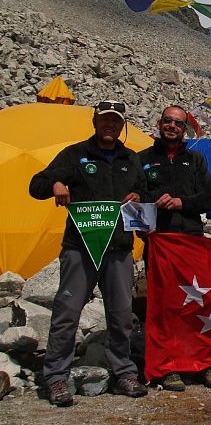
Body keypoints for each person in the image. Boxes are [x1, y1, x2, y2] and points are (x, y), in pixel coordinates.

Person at [29, 100, 148, 406]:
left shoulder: (131, 159)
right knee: (67, 313)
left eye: (116, 121)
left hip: (119, 249)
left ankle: (124, 373)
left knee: (121, 315)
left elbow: (145, 195)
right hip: (79, 248)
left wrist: (138, 195)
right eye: (105, 119)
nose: (110, 125)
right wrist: (56, 183)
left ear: (122, 126)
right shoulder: (75, 154)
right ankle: (56, 377)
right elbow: (36, 185)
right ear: (95, 122)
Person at [139, 105, 211, 391]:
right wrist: (154, 199)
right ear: (159, 123)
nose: (172, 126)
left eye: (178, 123)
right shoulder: (142, 159)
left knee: (199, 301)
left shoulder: (196, 159)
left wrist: (181, 202)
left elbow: (208, 198)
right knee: (164, 305)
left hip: (191, 242)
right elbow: (135, 197)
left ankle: (203, 362)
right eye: (168, 121)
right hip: (159, 243)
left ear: (185, 128)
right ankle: (168, 365)